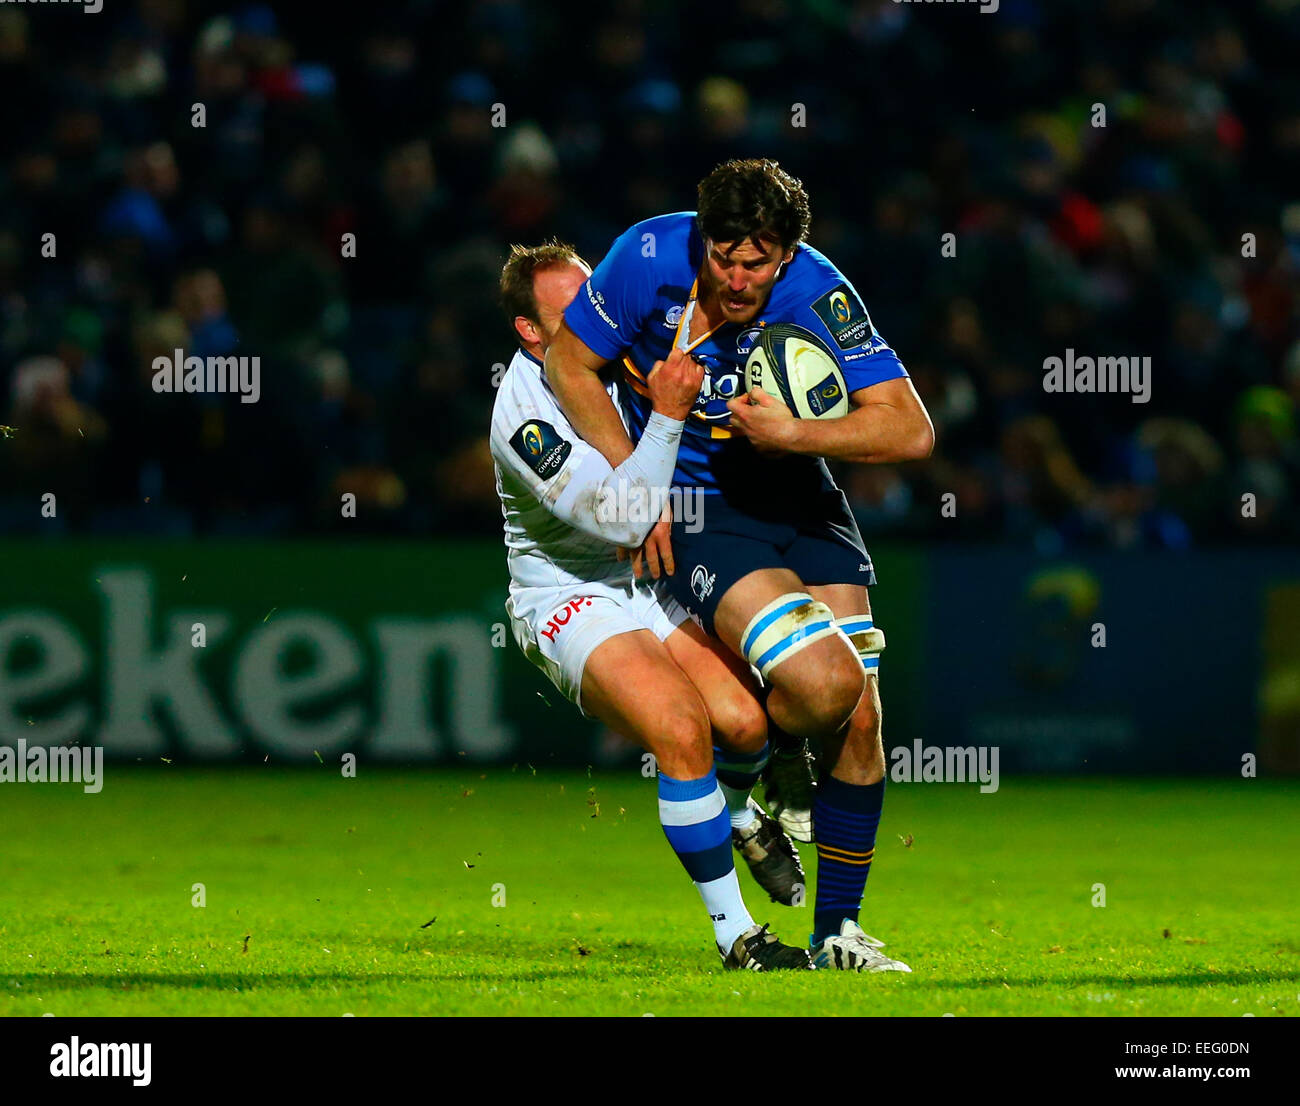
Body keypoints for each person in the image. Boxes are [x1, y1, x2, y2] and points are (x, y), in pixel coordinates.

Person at [544, 161, 935, 972]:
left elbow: (908, 431)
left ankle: (838, 936)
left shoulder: (821, 291)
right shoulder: (647, 257)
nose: (736, 276)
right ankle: (772, 763)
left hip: (801, 500)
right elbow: (568, 365)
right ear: (702, 239)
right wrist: (635, 483)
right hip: (700, 511)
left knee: (860, 716)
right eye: (723, 256)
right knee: (826, 687)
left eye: (756, 262)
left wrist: (795, 437)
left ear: (789, 254)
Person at [490, 240, 809, 971]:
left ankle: (736, 815)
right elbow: (626, 520)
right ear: (531, 333)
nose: (596, 316)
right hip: (569, 595)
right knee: (678, 727)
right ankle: (738, 937)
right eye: (572, 311)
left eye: (595, 296)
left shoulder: (624, 354)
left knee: (744, 723)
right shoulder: (523, 416)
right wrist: (667, 415)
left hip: (646, 584)